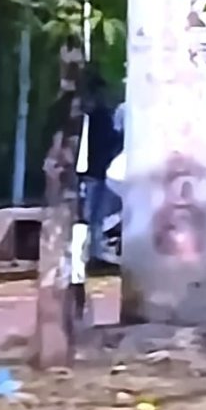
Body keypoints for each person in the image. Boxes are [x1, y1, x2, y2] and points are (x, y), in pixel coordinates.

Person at [78, 72, 123, 265]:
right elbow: (108, 140)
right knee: (93, 214)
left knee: (93, 214)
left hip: (93, 170)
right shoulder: (99, 116)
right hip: (96, 170)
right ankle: (91, 251)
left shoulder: (90, 117)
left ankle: (92, 250)